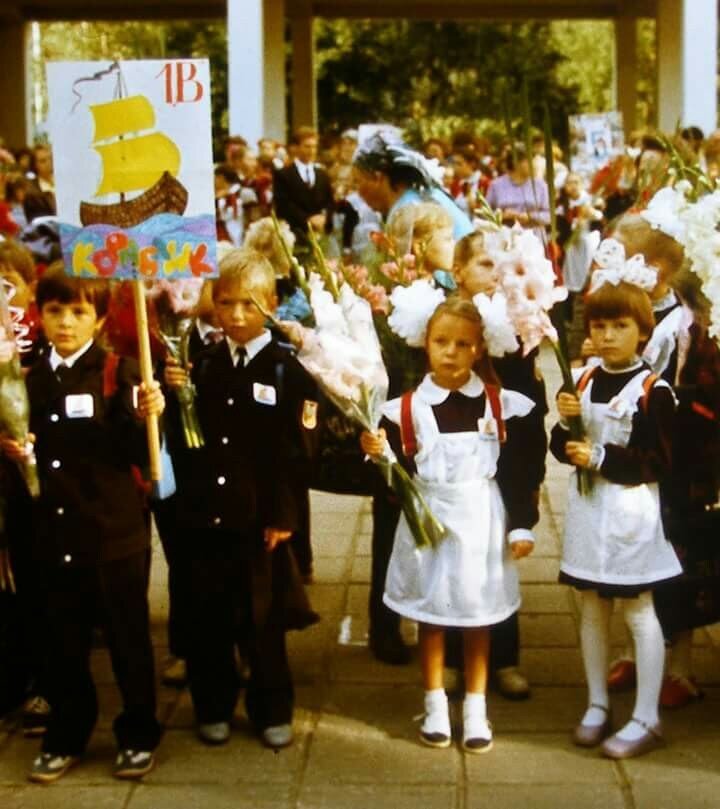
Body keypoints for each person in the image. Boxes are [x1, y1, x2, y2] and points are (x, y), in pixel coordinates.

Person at [0, 265, 165, 782]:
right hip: (50, 534)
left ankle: (138, 732)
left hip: (111, 533)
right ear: (40, 315)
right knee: (61, 642)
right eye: (55, 311)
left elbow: (137, 457)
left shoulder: (121, 371)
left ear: (97, 320)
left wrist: (145, 418)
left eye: (78, 312)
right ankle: (68, 731)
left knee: (127, 640)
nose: (65, 322)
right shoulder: (25, 375)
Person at [360, 297, 541, 751]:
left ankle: (476, 707)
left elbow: (517, 472)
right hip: (431, 520)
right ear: (425, 343)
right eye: (442, 342)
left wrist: (521, 525)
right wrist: (380, 456)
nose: (451, 352)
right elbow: (392, 476)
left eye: (463, 344)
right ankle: (436, 700)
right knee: (434, 615)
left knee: (479, 616)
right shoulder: (405, 409)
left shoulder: (500, 404)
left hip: (481, 519)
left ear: (480, 348)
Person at [163, 248, 320, 750]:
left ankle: (272, 705)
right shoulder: (203, 365)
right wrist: (171, 398)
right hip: (207, 515)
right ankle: (213, 703)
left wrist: (284, 516)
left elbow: (296, 454)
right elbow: (185, 443)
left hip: (259, 519)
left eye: (248, 305)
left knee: (262, 623)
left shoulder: (285, 370)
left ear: (271, 304)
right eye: (226, 303)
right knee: (210, 619)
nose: (235, 315)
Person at [551, 269, 681, 759]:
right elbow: (560, 445)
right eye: (599, 326)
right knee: (591, 604)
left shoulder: (653, 390)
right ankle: (597, 703)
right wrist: (566, 428)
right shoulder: (582, 378)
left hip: (629, 513)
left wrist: (602, 458)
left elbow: (660, 461)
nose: (607, 336)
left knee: (637, 607)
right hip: (588, 511)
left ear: (642, 332)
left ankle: (646, 715)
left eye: (619, 326)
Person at [606, 214, 720, 708]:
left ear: (656, 268)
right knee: (634, 555)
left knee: (679, 561)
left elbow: (701, 398)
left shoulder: (690, 326)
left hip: (681, 464)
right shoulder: (628, 314)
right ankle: (639, 650)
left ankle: (680, 666)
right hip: (638, 458)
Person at [451, 231, 548, 700]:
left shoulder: (518, 328)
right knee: (453, 562)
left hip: (505, 464)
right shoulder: (444, 322)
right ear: (459, 273)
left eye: (501, 265)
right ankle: (453, 658)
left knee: (499, 563)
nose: (497, 274)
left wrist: (530, 485)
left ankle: (505, 658)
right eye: (486, 264)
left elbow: (533, 411)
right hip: (456, 465)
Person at [352, 133, 473, 240]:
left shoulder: (408, 210)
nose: (358, 192)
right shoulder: (417, 196)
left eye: (358, 182)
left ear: (377, 178)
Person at [273, 127, 334, 245]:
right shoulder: (283, 174)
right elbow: (283, 204)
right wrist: (307, 219)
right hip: (295, 234)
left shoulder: (322, 174)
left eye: (314, 147)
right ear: (296, 148)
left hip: (320, 234)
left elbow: (330, 202)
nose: (311, 151)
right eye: (307, 146)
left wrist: (324, 217)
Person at [486, 144, 550, 239]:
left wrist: (530, 216)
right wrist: (502, 215)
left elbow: (549, 216)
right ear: (516, 162)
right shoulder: (496, 185)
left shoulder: (540, 185)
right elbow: (485, 214)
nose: (534, 164)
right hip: (505, 237)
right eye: (529, 161)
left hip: (534, 238)